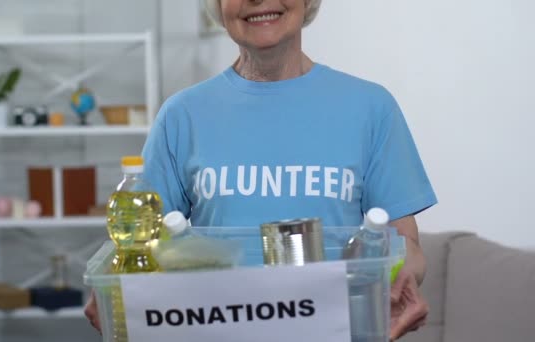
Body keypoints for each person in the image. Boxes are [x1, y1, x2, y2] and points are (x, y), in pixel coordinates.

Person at [85, 0, 436, 340]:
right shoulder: (182, 115)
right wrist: (116, 292)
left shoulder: (371, 108)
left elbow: (406, 245)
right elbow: (138, 246)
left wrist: (402, 281)